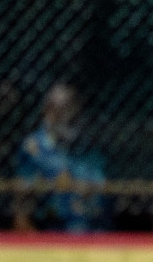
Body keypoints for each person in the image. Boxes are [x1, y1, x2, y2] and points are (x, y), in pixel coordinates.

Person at [13, 82, 109, 233]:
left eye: (71, 108)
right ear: (47, 110)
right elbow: (22, 211)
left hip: (95, 236)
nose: (67, 116)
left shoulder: (90, 148)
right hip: (55, 238)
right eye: (59, 110)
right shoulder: (34, 149)